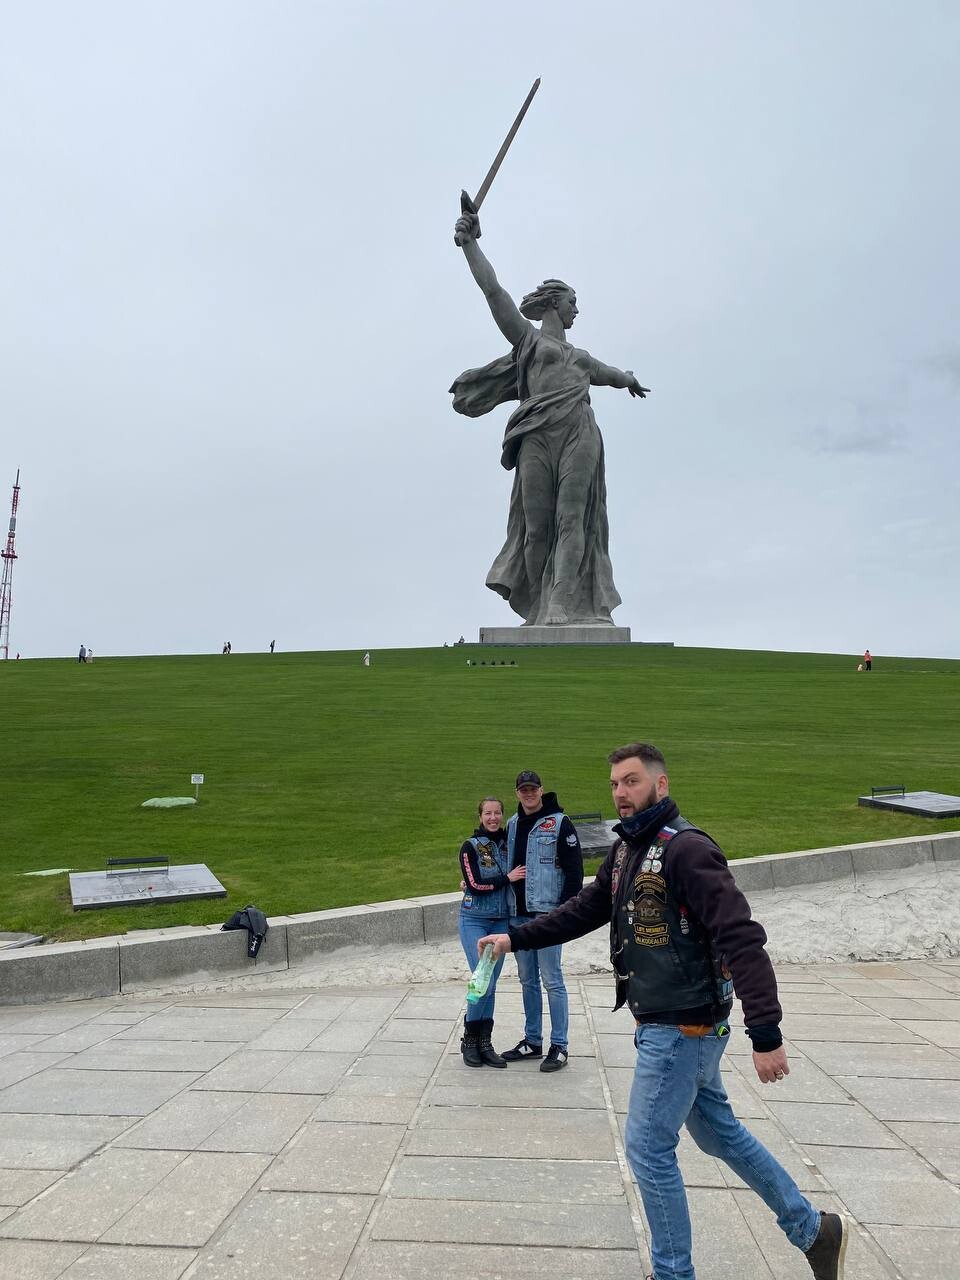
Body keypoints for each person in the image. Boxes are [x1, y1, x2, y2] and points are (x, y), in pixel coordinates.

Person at [478, 742, 848, 1280]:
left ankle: (674, 1273)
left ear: (661, 784)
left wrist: (766, 1033)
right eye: (614, 784)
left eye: (631, 781)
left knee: (648, 1150)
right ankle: (813, 1230)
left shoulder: (686, 849)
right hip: (668, 1023)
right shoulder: (627, 850)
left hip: (683, 1028)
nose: (620, 793)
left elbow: (741, 937)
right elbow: (583, 910)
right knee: (719, 1135)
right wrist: (515, 938)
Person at [451, 199, 649, 626]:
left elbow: (611, 375)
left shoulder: (581, 358)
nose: (577, 309)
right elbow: (494, 293)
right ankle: (539, 604)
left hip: (579, 431)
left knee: (572, 517)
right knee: (536, 526)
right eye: (573, 302)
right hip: (537, 435)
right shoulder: (529, 341)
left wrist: (629, 379)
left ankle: (561, 601)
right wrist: (470, 244)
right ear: (554, 304)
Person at [501, 770, 583, 1072]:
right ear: (517, 792)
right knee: (527, 980)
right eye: (523, 789)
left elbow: (575, 871)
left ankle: (559, 1045)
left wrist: (566, 913)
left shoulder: (559, 823)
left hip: (548, 914)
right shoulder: (512, 823)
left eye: (533, 789)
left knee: (552, 980)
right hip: (519, 913)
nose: (529, 793)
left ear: (541, 790)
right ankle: (533, 1040)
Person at [457, 796, 526, 1068]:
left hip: (501, 921)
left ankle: (484, 1042)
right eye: (488, 813)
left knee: (491, 982)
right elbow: (475, 885)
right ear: (480, 816)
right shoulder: (471, 846)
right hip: (475, 919)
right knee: (481, 978)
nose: (493, 818)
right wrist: (506, 879)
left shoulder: (510, 844)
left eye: (497, 813)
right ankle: (470, 1040)